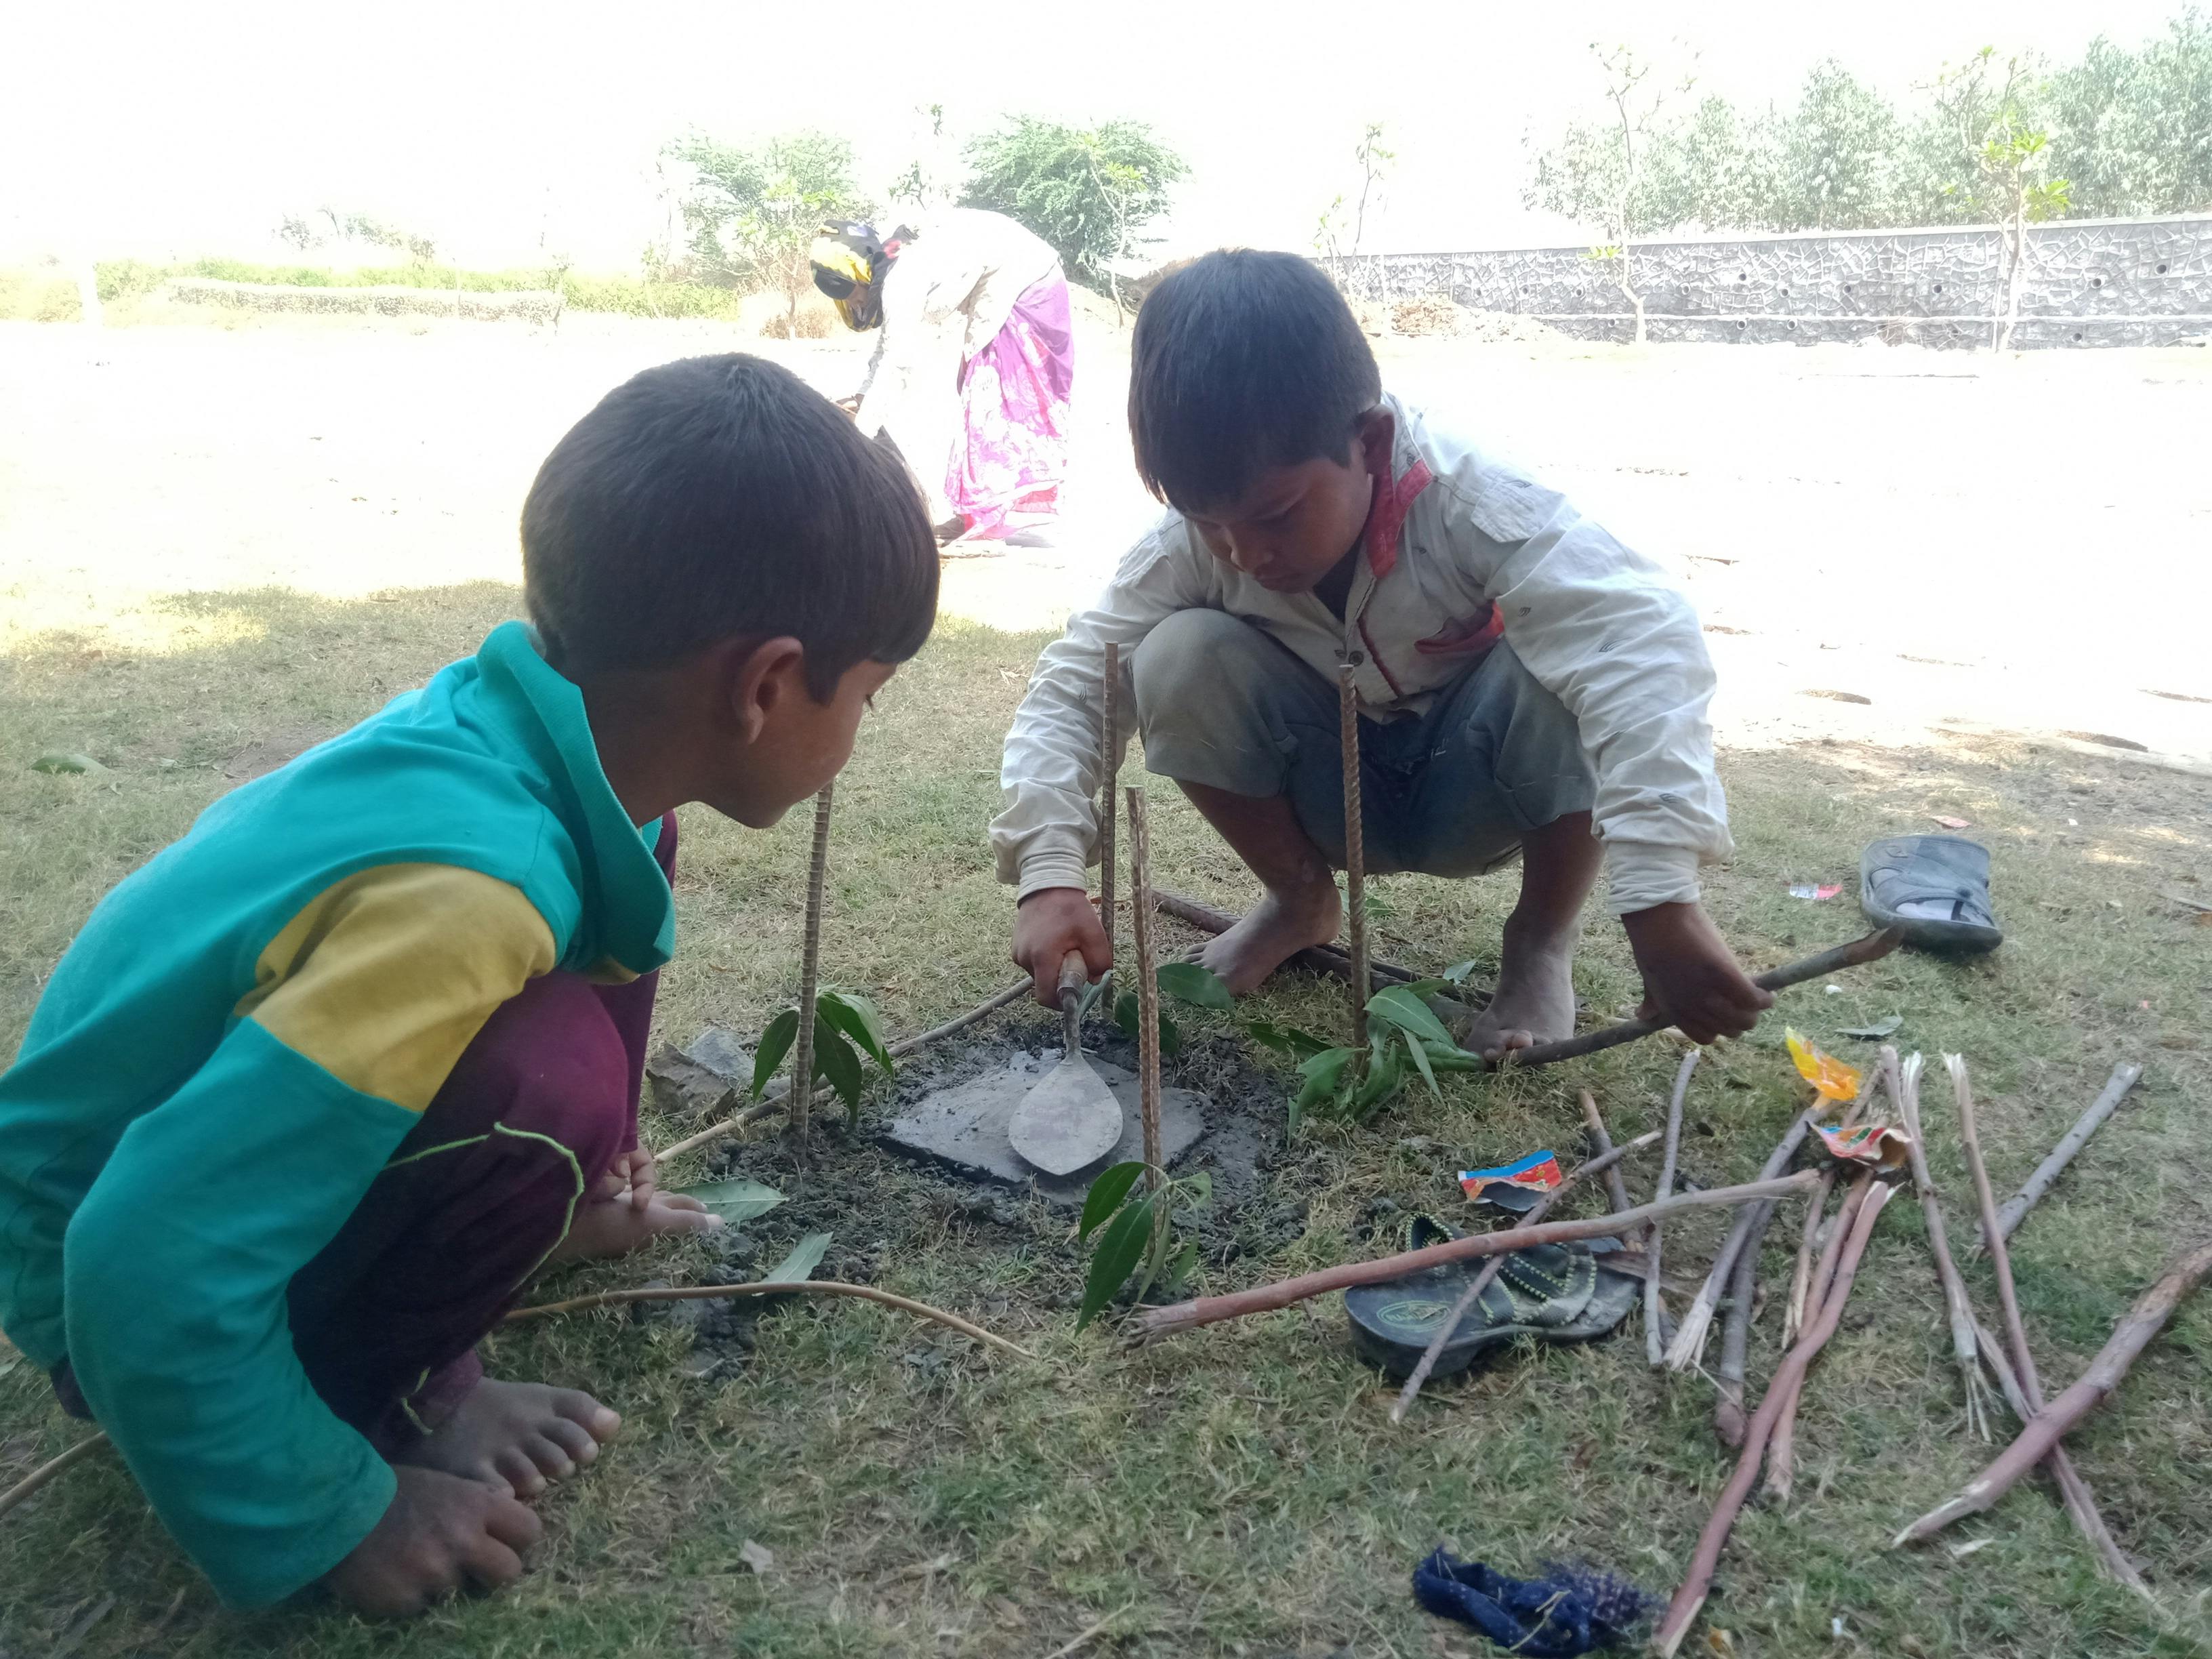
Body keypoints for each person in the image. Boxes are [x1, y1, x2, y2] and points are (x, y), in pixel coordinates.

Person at [0, 354, 939, 1616]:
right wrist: (326, 1518)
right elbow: (140, 1257)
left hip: (178, 1182)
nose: (862, 725)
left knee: (612, 912)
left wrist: (569, 1199)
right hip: (110, 1277)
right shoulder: (466, 890)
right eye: (867, 692)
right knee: (538, 1080)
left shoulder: (534, 752)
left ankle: (530, 1215)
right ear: (764, 683)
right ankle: (381, 1392)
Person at [993, 250, 1773, 1057]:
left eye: (1277, 515)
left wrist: (1659, 900)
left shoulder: (1473, 497)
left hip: (1478, 792)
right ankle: (1298, 903)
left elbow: (1638, 643)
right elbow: (1077, 682)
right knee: (1172, 654)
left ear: (1370, 439)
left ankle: (1539, 941)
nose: (1242, 554)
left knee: (1566, 661)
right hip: (1329, 790)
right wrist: (1049, 870)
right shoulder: (1196, 547)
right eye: (1205, 520)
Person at [812, 209, 1074, 543]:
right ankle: (976, 516)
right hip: (1024, 280)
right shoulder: (894, 268)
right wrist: (863, 395)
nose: (855, 301)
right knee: (976, 390)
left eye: (848, 292)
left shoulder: (902, 277)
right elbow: (890, 342)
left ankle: (984, 523)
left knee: (989, 398)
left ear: (856, 276)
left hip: (1028, 286)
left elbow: (899, 362)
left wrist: (860, 435)